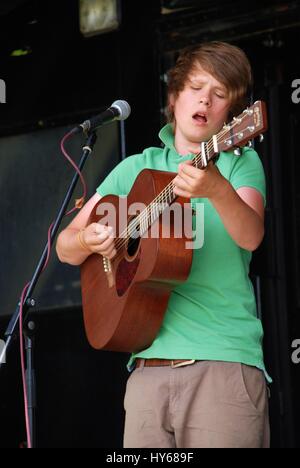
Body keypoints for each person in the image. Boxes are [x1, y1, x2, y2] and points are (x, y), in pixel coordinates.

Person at [56, 41, 270, 448]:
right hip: (146, 373)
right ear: (174, 97)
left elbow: (252, 235)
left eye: (220, 93)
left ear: (232, 113)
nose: (205, 98)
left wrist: (217, 190)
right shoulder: (135, 169)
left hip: (221, 362)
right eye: (195, 87)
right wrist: (88, 238)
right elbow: (65, 249)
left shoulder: (239, 161)